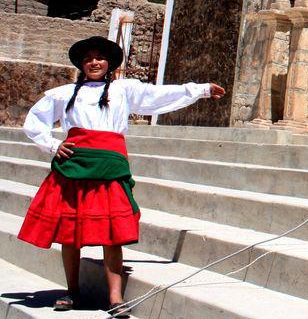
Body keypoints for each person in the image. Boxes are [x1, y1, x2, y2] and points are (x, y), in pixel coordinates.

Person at [17, 36, 225, 318]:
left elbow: (159, 95)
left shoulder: (124, 90)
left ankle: (115, 297)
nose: (94, 62)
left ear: (110, 63)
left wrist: (200, 90)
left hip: (111, 168)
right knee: (70, 233)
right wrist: (54, 145)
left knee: (111, 235)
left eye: (100, 57)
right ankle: (72, 291)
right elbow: (35, 120)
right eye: (89, 58)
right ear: (82, 63)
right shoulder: (64, 93)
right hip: (75, 167)